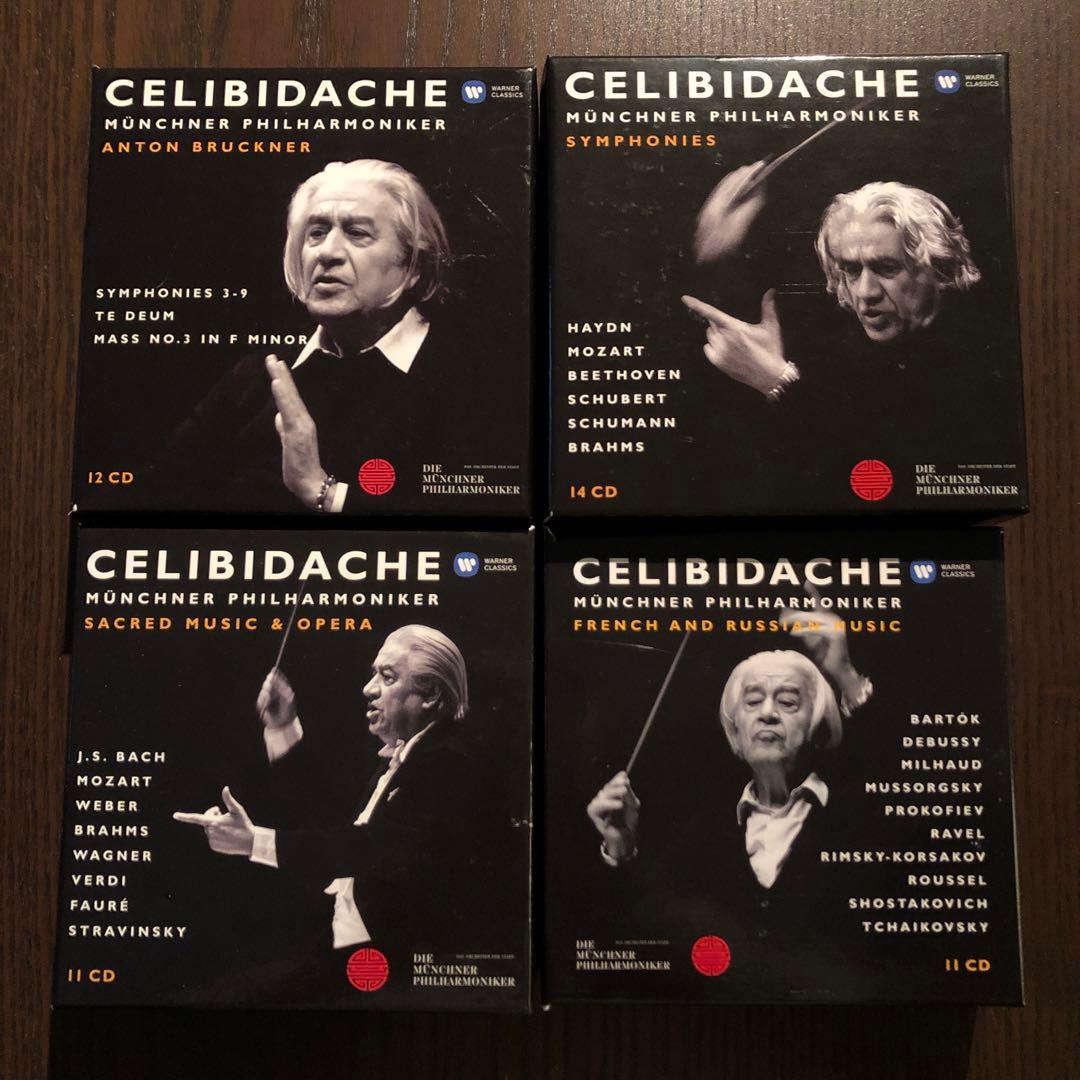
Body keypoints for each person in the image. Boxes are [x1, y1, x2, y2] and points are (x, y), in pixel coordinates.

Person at [152, 159, 493, 511]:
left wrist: (321, 491)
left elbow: (475, 526)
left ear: (414, 265)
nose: (327, 253)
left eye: (357, 233)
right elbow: (153, 501)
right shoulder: (254, 377)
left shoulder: (477, 379)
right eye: (316, 232)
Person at [173, 625, 483, 961]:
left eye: (387, 677)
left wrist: (252, 842)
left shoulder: (449, 762)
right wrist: (283, 727)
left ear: (431, 694)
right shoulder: (409, 756)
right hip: (353, 942)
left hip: (393, 956)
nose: (368, 688)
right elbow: (336, 825)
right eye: (373, 675)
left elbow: (368, 850)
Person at [585, 616, 873, 960]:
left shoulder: (860, 815)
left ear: (817, 722)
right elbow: (643, 932)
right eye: (752, 701)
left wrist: (846, 677)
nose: (768, 713)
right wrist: (620, 847)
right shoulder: (696, 838)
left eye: (787, 701)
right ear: (736, 730)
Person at [682, 177, 981, 401]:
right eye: (851, 270)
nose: (865, 292)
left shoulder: (973, 360)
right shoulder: (857, 354)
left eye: (887, 268)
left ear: (941, 267)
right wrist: (715, 253)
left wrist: (777, 381)